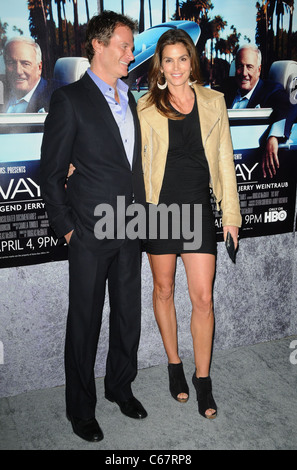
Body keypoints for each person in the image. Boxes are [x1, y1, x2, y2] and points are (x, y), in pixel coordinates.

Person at [40, 11, 147, 443]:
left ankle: (120, 387)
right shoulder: (70, 99)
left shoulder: (132, 98)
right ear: (98, 46)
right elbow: (50, 174)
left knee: (127, 318)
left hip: (132, 226)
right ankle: (80, 409)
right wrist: (67, 229)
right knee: (84, 323)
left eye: (131, 45)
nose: (131, 52)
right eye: (123, 44)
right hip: (89, 231)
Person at [137, 29, 241, 419]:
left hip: (198, 209)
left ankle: (203, 379)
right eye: (169, 59)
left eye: (183, 58)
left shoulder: (214, 101)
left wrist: (230, 216)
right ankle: (174, 365)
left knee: (202, 298)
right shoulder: (146, 106)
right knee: (163, 290)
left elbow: (226, 164)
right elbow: (122, 150)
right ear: (159, 65)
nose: (176, 66)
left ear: (191, 61)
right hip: (159, 211)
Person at [223, 44, 294, 178]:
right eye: (240, 66)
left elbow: (291, 106)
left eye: (249, 67)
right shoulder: (226, 87)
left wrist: (274, 137)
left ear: (259, 70)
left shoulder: (270, 90)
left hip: (247, 165)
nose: (244, 73)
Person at [1, 37, 62, 113]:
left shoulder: (60, 97)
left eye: (25, 64)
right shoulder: (3, 93)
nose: (18, 71)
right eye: (11, 63)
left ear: (39, 68)